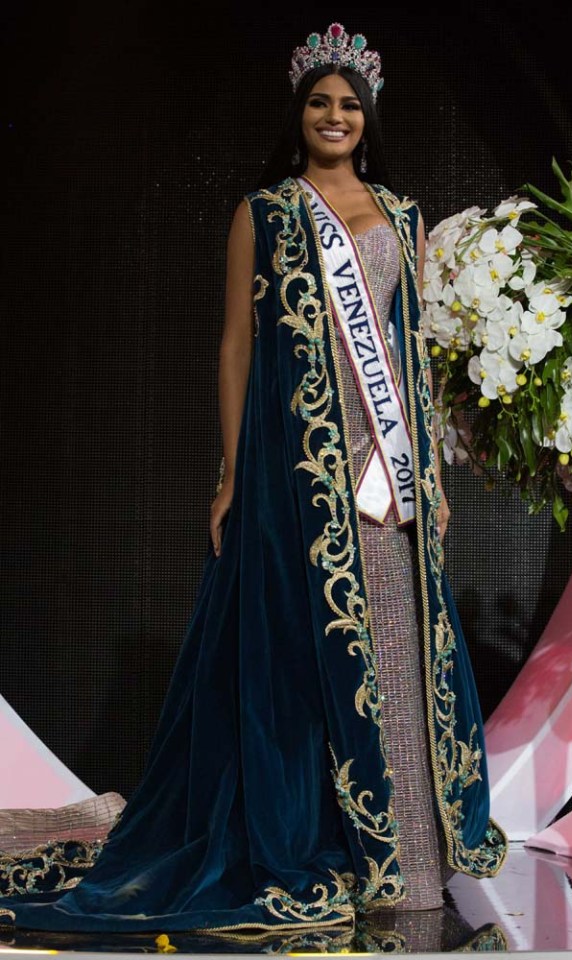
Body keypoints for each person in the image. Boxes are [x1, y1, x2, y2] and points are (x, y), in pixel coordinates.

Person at [0, 22, 506, 937]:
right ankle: (325, 844)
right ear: (300, 112)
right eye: (321, 102)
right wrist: (231, 474)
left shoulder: (403, 215)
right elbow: (235, 346)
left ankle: (406, 860)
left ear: (369, 115)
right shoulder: (265, 212)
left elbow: (416, 348)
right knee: (306, 663)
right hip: (297, 473)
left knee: (394, 651)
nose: (336, 116)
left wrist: (427, 462)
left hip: (386, 470)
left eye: (351, 104)